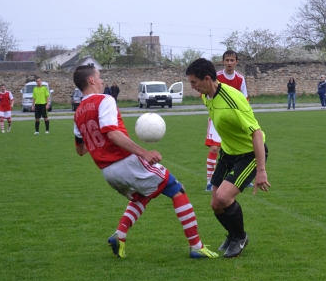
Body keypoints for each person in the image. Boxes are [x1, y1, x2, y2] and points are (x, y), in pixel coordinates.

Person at [72, 65, 218, 259]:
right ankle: (196, 247)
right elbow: (113, 134)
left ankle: (120, 236)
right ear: (91, 81)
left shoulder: (78, 111)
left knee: (143, 195)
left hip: (107, 171)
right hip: (125, 161)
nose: (102, 81)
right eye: (99, 77)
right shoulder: (105, 99)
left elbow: (81, 150)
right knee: (177, 189)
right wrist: (144, 153)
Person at [186, 58, 270, 259]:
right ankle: (233, 235)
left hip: (249, 154)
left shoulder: (233, 99)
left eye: (194, 82)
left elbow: (256, 133)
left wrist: (261, 170)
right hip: (228, 152)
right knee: (215, 204)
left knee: (224, 196)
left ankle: (240, 237)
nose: (193, 87)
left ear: (207, 79)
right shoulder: (207, 96)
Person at [204, 50, 250, 192]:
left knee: (237, 148)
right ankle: (210, 182)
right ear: (223, 61)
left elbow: (245, 100)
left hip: (234, 120)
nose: (229, 63)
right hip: (217, 118)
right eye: (227, 60)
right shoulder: (215, 77)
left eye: (232, 60)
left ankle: (243, 179)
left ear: (237, 62)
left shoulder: (240, 79)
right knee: (214, 148)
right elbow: (206, 96)